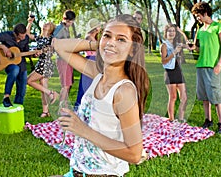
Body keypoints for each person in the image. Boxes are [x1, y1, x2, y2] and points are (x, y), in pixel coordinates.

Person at [53, 14, 150, 176]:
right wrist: (102, 44)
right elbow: (59, 46)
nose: (112, 42)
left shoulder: (124, 91)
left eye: (121, 39)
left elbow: (134, 154)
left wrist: (82, 130)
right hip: (77, 172)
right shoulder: (97, 73)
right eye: (107, 35)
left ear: (132, 48)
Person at [191, 1, 221, 133]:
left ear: (205, 13)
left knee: (216, 94)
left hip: (213, 66)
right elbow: (199, 49)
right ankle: (208, 120)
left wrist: (219, 64)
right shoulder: (200, 30)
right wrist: (193, 47)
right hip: (201, 65)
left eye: (198, 16)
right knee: (204, 96)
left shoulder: (218, 27)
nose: (198, 19)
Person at [0, 23, 30, 107]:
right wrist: (2, 47)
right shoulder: (6, 35)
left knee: (22, 91)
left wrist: (34, 54)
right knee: (15, 69)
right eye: (21, 37)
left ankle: (17, 109)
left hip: (22, 64)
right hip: (9, 64)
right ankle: (6, 97)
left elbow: (26, 52)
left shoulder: (26, 38)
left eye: (24, 36)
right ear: (15, 34)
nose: (23, 38)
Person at [26, 16, 59, 117]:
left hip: (46, 63)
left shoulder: (51, 38)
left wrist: (42, 51)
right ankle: (46, 111)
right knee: (43, 88)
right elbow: (27, 35)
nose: (45, 24)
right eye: (45, 23)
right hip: (41, 63)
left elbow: (52, 47)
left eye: (48, 24)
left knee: (29, 80)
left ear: (51, 29)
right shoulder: (39, 37)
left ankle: (52, 93)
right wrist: (30, 22)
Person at [160, 24, 188, 122]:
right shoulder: (164, 45)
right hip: (170, 73)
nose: (171, 33)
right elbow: (163, 61)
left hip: (178, 72)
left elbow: (189, 45)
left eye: (173, 31)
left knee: (184, 97)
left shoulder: (177, 44)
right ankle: (171, 118)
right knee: (173, 97)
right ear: (166, 33)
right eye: (169, 31)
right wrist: (174, 52)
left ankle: (181, 117)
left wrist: (182, 32)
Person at [74, 18, 103, 107]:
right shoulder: (89, 37)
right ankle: (80, 105)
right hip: (90, 60)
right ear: (95, 28)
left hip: (96, 60)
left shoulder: (94, 37)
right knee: (86, 85)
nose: (100, 28)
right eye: (99, 26)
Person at [53, 10, 76, 103]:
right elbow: (55, 44)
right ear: (64, 19)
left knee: (69, 84)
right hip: (62, 60)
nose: (71, 23)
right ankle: (61, 107)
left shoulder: (66, 28)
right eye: (69, 21)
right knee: (66, 85)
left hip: (67, 59)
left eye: (72, 21)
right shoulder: (59, 29)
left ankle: (64, 104)